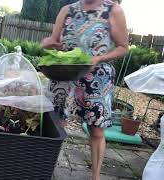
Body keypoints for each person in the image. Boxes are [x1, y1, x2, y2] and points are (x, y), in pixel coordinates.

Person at [41, 0, 128, 180]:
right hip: (64, 74)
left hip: (97, 78)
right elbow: (56, 41)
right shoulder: (66, 10)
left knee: (96, 130)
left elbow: (123, 48)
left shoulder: (113, 10)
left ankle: (95, 177)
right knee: (55, 124)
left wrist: (99, 58)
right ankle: (47, 168)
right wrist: (50, 44)